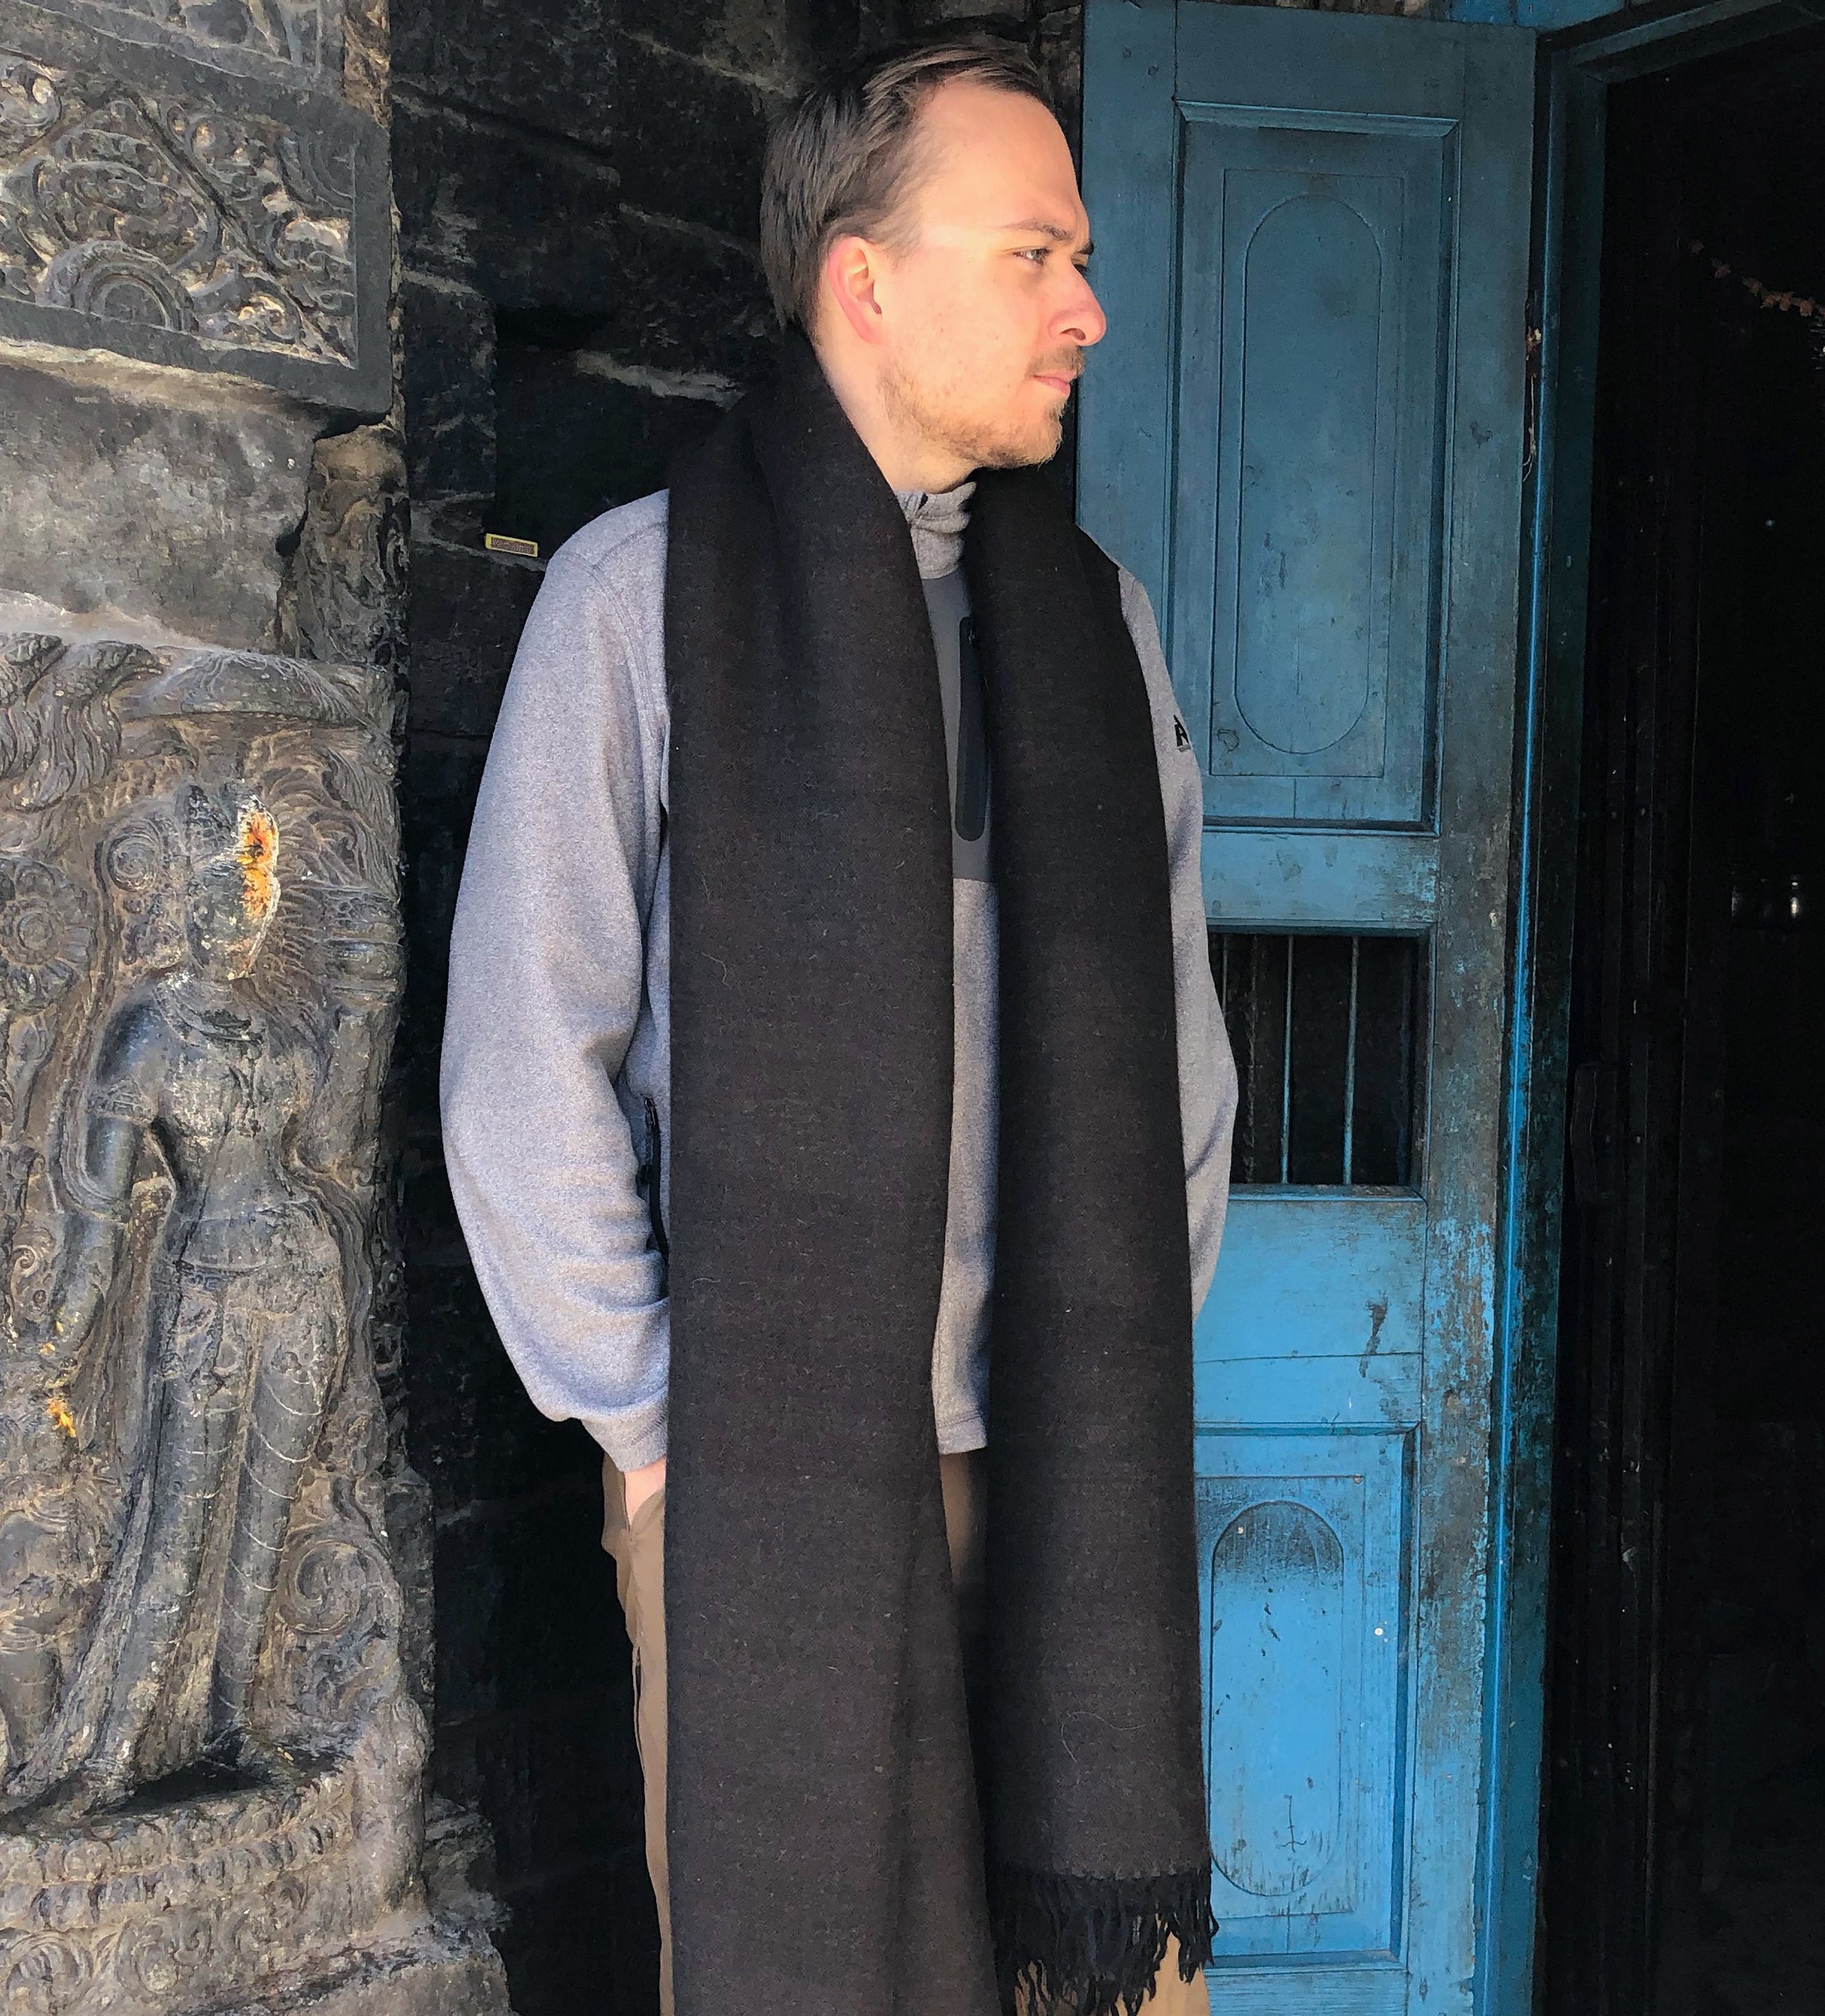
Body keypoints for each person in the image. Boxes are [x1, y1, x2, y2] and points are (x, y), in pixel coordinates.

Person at [442, 27, 1236, 2016]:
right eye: (1033, 255)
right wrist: (648, 1431)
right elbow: (525, 1053)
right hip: (758, 1471)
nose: (1090, 309)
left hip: (1060, 1455)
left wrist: (1115, 1359)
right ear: (860, 283)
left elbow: (1181, 1069)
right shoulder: (643, 605)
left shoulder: (1095, 632)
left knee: (1094, 1983)